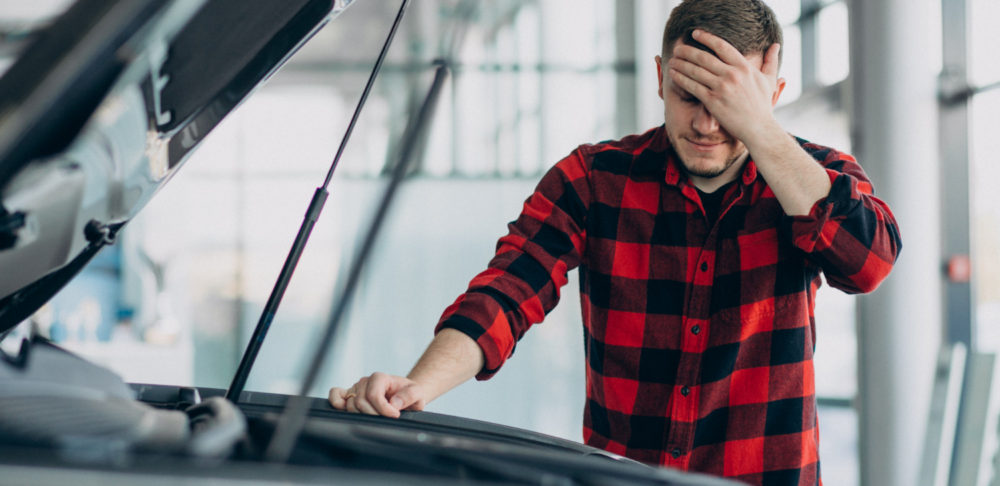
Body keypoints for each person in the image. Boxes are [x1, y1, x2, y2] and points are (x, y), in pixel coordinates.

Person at [329, 0, 901, 484]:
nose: (705, 125)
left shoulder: (815, 178)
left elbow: (869, 264)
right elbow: (507, 291)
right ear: (658, 76)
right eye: (688, 96)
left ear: (769, 94)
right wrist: (416, 386)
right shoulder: (593, 179)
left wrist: (762, 130)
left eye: (728, 105)